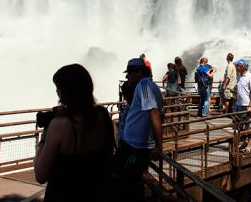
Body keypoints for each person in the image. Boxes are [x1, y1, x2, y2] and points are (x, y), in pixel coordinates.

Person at [34, 64, 115, 201]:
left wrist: (44, 137)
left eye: (58, 88)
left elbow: (40, 176)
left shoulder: (61, 125)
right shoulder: (102, 114)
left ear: (66, 91)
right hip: (95, 192)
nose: (56, 92)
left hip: (65, 193)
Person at [112, 57, 164, 202]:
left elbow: (154, 112)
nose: (127, 77)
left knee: (124, 182)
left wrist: (159, 146)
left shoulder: (144, 85)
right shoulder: (147, 86)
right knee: (126, 181)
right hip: (132, 145)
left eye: (129, 73)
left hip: (134, 148)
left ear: (139, 71)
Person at [233, 58, 251, 154]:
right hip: (239, 105)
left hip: (248, 106)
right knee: (240, 127)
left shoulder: (250, 77)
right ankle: (244, 143)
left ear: (242, 66)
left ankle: (249, 147)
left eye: (237, 66)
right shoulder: (239, 77)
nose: (236, 68)